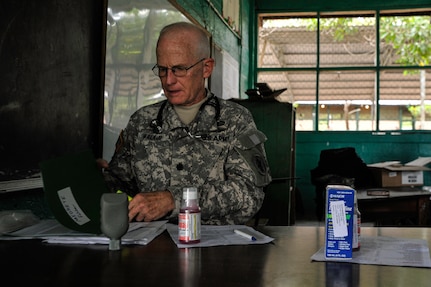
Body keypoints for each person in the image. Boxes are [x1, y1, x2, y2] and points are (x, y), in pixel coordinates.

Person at [100, 21, 271, 225]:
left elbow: (249, 194)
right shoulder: (142, 121)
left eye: (179, 69)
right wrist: (100, 178)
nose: (169, 80)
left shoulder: (235, 120)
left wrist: (175, 200)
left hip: (215, 249)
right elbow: (121, 187)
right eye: (163, 70)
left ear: (206, 68)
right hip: (152, 248)